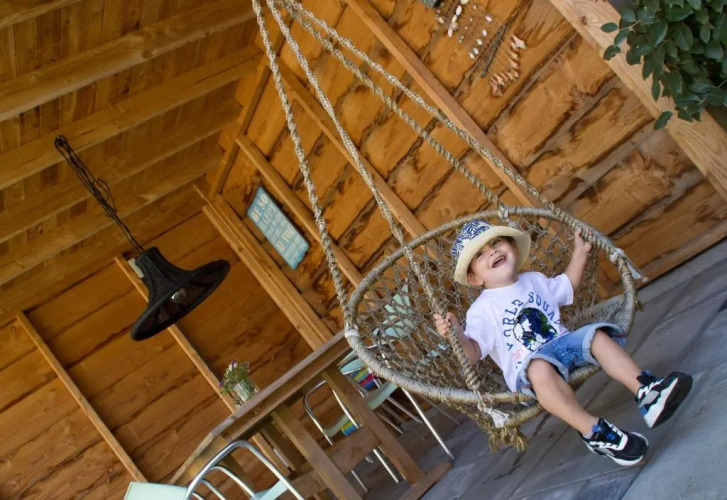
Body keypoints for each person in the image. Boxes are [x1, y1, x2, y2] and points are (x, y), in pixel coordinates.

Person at [434, 220, 693, 466]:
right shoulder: (482, 310)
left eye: (496, 243)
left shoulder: (534, 279)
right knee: (539, 368)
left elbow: (567, 285)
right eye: (480, 254)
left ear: (513, 248)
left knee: (595, 335)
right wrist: (456, 334)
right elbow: (473, 353)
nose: (492, 251)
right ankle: (594, 431)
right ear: (475, 279)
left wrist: (580, 252)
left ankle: (647, 392)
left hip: (564, 342)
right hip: (530, 368)